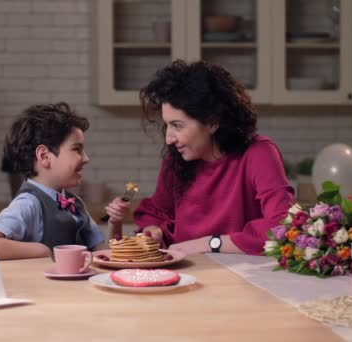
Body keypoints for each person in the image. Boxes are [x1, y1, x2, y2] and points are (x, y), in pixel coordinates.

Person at [106, 60, 294, 255]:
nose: (169, 139)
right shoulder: (176, 160)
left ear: (212, 122)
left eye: (177, 125)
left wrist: (209, 244)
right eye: (167, 125)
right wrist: (153, 231)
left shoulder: (259, 153)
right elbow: (157, 213)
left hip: (240, 276)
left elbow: (283, 227)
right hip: (187, 273)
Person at [0, 103, 128, 260]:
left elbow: (102, 253)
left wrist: (114, 223)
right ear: (44, 156)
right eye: (77, 149)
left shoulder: (75, 204)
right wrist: (43, 251)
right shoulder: (28, 203)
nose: (86, 158)